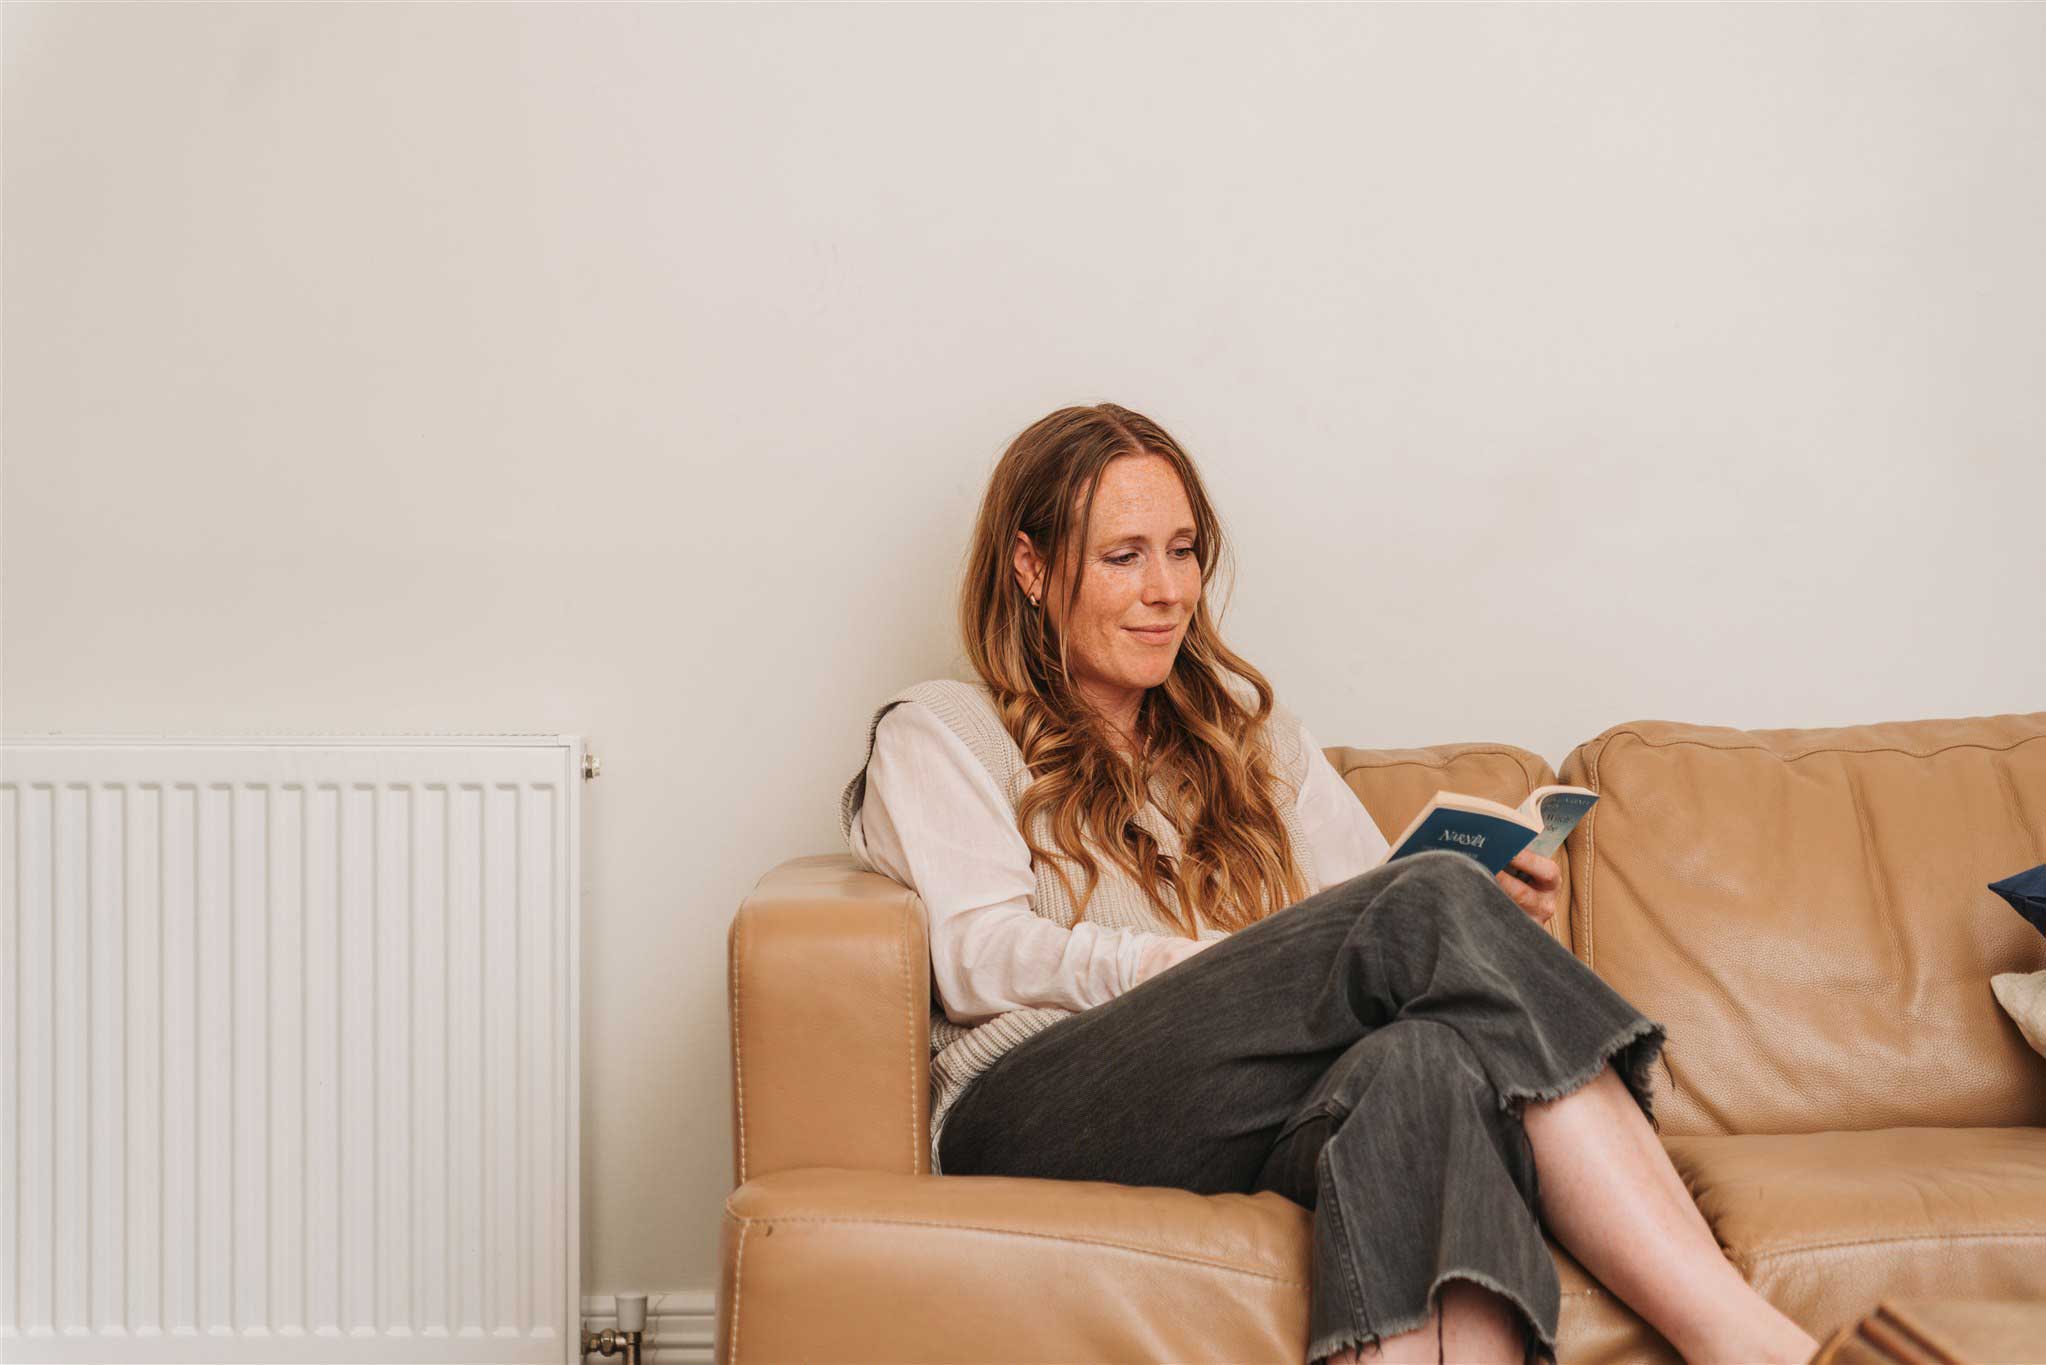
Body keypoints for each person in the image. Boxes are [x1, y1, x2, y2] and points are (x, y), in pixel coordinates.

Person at [838, 403, 1820, 1365]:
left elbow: (1372, 910)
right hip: (1037, 1105)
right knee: (1424, 904)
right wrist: (1190, 965)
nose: (1168, 590)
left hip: (1248, 1114)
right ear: (1031, 567)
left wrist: (1487, 907)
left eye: (1184, 551)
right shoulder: (941, 731)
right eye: (1125, 555)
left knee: (1425, 1062)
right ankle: (1741, 1338)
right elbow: (973, 956)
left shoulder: (1253, 741)